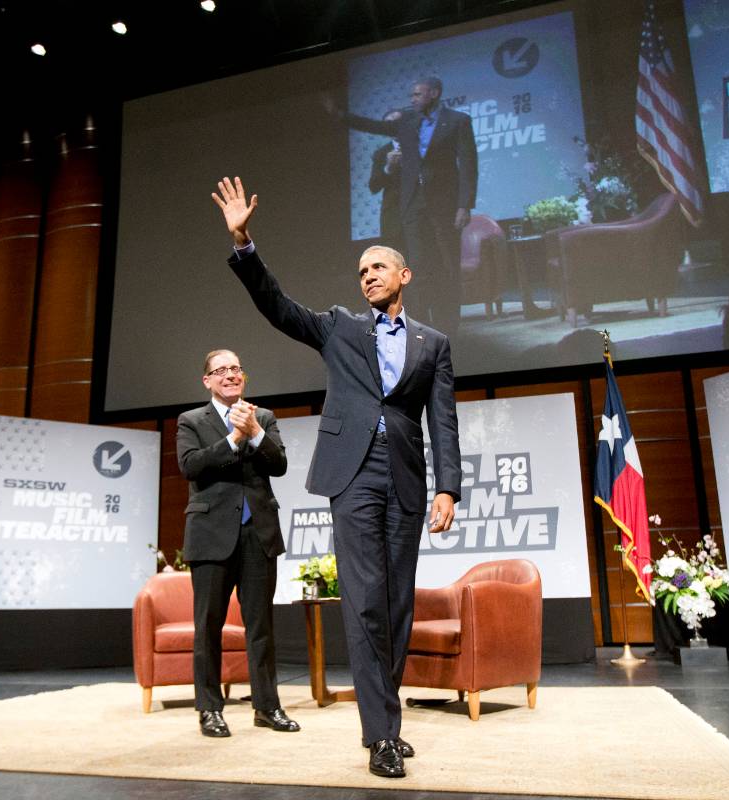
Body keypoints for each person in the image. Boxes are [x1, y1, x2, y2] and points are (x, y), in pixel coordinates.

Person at [211, 176, 461, 779]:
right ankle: (380, 734)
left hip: (405, 477)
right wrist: (244, 243)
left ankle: (386, 718)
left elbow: (443, 421)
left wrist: (448, 487)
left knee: (398, 603)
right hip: (352, 475)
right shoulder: (340, 327)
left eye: (378, 267)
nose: (368, 275)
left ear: (405, 276)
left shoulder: (434, 344)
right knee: (365, 601)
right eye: (361, 270)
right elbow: (279, 306)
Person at [176, 349, 301, 738]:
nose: (230, 375)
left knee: (261, 626)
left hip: (257, 534)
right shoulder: (191, 420)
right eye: (221, 370)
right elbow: (190, 466)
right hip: (211, 535)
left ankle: (267, 707)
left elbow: (278, 464)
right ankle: (210, 709)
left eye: (235, 369)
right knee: (208, 626)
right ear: (207, 381)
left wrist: (255, 432)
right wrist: (233, 438)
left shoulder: (262, 417)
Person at [328, 76, 477, 336]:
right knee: (417, 268)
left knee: (446, 265)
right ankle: (422, 328)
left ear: (434, 93)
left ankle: (450, 328)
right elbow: (374, 126)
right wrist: (341, 115)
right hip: (413, 206)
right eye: (412, 95)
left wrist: (464, 205)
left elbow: (468, 166)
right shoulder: (407, 122)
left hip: (444, 206)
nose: (412, 99)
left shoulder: (458, 121)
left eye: (417, 94)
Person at [368, 109, 405, 254]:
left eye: (397, 121)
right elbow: (373, 187)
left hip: (422, 212)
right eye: (389, 124)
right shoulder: (381, 153)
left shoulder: (424, 145)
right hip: (394, 217)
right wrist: (388, 168)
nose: (393, 126)